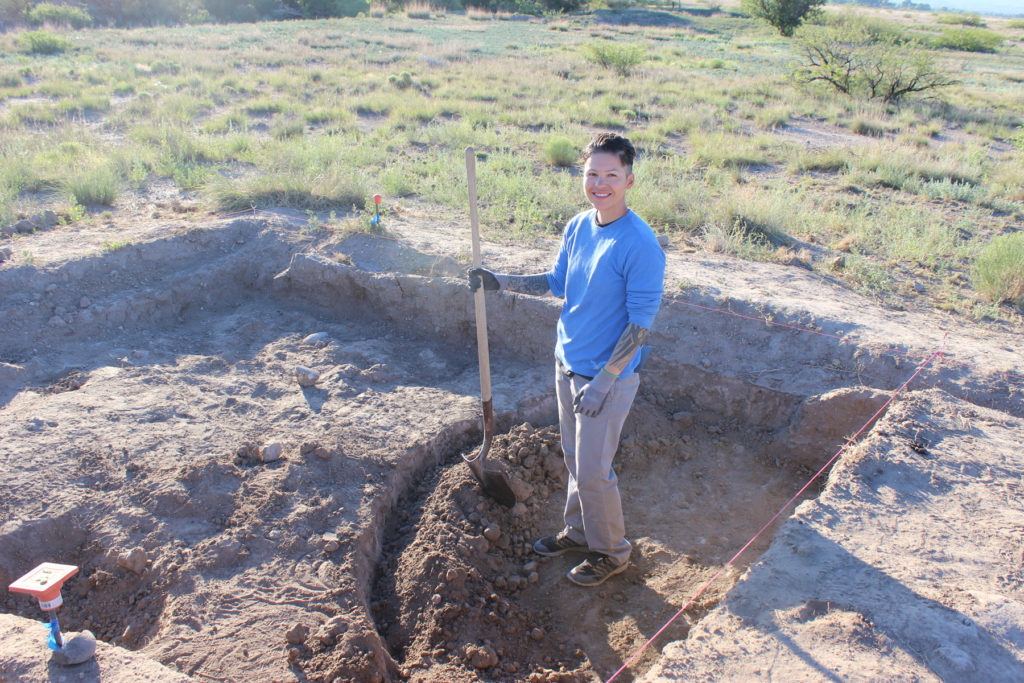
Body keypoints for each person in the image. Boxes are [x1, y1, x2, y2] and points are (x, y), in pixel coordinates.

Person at [468, 133, 665, 587]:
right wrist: (500, 281)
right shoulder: (579, 226)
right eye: (592, 173)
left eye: (610, 175)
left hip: (606, 380)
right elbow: (557, 283)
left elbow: (639, 326)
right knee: (577, 461)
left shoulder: (640, 244)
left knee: (595, 471)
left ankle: (612, 552)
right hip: (568, 364)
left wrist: (603, 383)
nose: (600, 183)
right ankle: (579, 533)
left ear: (629, 181)